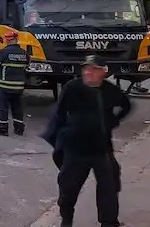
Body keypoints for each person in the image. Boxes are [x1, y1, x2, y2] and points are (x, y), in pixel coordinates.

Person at [56, 55, 132, 227]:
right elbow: (59, 113)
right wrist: (66, 132)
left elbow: (126, 105)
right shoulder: (72, 87)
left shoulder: (109, 90)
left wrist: (113, 121)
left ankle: (108, 222)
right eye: (86, 68)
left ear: (102, 72)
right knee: (68, 187)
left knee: (109, 187)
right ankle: (66, 218)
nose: (88, 72)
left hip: (102, 149)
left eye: (93, 69)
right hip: (76, 149)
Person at [0, 30, 28, 136]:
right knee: (17, 107)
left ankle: (3, 129)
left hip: (3, 85)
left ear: (7, 40)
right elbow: (27, 65)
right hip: (19, 86)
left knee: (2, 107)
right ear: (16, 40)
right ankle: (19, 129)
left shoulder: (3, 52)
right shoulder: (24, 54)